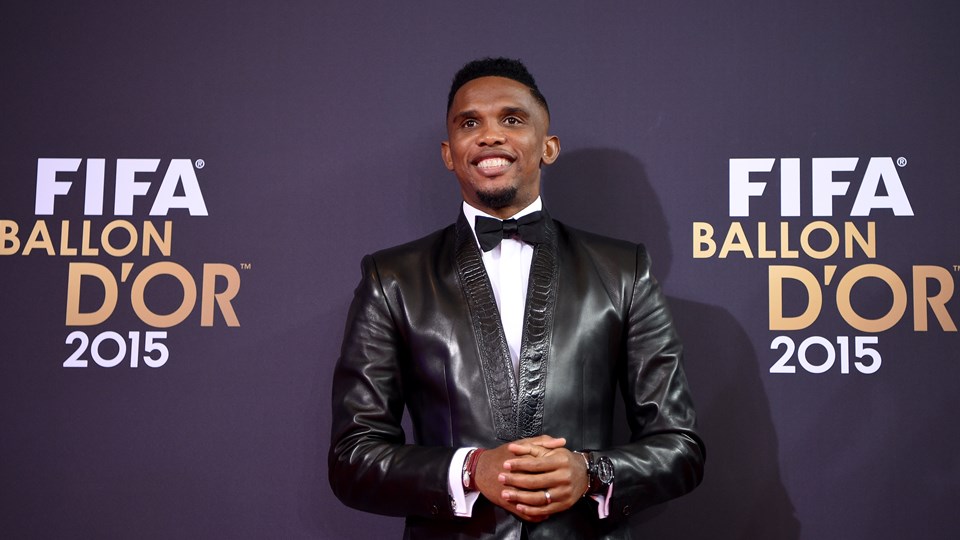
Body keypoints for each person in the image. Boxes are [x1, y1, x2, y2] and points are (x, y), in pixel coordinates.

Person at [329, 57, 704, 539]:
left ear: (548, 147)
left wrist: (591, 473)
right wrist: (470, 471)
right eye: (469, 123)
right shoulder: (392, 278)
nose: (489, 135)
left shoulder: (623, 271)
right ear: (449, 153)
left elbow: (680, 446)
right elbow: (352, 456)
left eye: (511, 119)